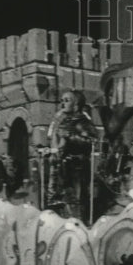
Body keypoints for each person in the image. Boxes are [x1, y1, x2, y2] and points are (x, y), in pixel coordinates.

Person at [47, 89, 98, 218]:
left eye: (67, 100)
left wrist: (72, 136)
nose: (63, 104)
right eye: (62, 101)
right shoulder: (65, 121)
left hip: (78, 169)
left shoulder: (83, 122)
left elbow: (92, 141)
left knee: (77, 201)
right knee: (64, 201)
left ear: (76, 104)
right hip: (64, 169)